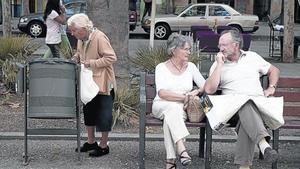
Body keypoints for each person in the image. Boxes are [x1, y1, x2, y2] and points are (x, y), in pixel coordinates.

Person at [204, 29, 280, 169]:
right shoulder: (218, 64)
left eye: (224, 45)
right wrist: (220, 65)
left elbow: (274, 70)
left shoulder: (253, 57)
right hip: (231, 110)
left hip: (257, 108)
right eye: (219, 45)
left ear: (236, 45)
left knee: (247, 112)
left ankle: (244, 166)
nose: (220, 48)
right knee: (244, 103)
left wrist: (272, 88)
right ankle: (263, 145)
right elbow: (209, 90)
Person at [152, 33, 206, 169]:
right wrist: (185, 97)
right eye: (186, 49)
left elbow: (205, 85)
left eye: (189, 49)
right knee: (171, 109)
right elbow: (162, 93)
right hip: (161, 104)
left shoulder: (191, 67)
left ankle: (170, 161)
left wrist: (196, 91)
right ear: (174, 50)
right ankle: (181, 148)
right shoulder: (161, 67)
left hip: (182, 108)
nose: (189, 52)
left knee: (171, 116)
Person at [67, 13, 117, 157]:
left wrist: (91, 63)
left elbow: (111, 57)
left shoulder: (99, 37)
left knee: (104, 115)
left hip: (103, 83)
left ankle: (103, 145)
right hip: (89, 82)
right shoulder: (81, 38)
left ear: (83, 28)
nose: (71, 32)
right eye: (71, 30)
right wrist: (74, 58)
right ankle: (91, 142)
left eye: (73, 30)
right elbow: (80, 53)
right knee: (88, 111)